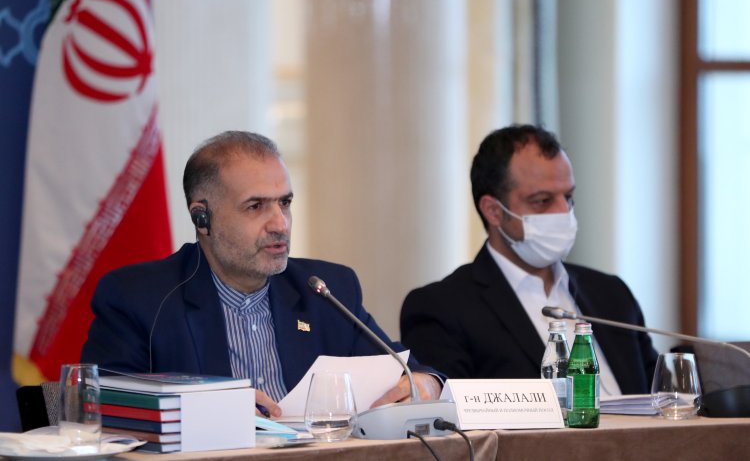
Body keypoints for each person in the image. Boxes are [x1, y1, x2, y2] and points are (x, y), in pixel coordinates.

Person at [82, 131, 441, 417]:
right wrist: (210, 408)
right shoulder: (140, 298)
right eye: (255, 206)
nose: (280, 224)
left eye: (285, 202)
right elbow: (100, 406)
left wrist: (426, 383)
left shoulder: (324, 290)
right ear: (201, 218)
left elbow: (405, 370)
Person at [400, 125, 658, 395]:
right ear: (493, 211)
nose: (563, 211)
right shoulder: (442, 308)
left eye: (568, 197)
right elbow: (448, 411)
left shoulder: (611, 293)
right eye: (542, 200)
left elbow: (660, 395)